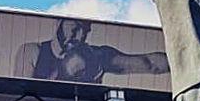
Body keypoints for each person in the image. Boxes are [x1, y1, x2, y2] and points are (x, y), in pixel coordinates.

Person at [14, 18, 169, 83]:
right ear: (59, 21)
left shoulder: (98, 56)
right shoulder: (33, 52)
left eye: (85, 30)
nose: (80, 35)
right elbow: (19, 96)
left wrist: (185, 59)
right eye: (75, 26)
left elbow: (148, 63)